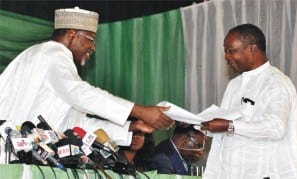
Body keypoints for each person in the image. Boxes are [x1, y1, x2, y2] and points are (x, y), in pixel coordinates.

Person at [0, 7, 174, 163]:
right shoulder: (52, 54)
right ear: (72, 33)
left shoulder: (61, 67)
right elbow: (80, 93)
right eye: (91, 39)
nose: (93, 48)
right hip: (11, 158)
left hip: (31, 159)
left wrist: (129, 127)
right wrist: (139, 110)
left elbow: (78, 125)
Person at [201, 24, 297, 179]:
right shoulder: (234, 85)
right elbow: (224, 132)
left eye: (231, 50)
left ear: (252, 49)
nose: (226, 56)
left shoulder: (276, 82)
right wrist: (201, 125)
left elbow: (276, 127)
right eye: (225, 51)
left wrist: (230, 126)